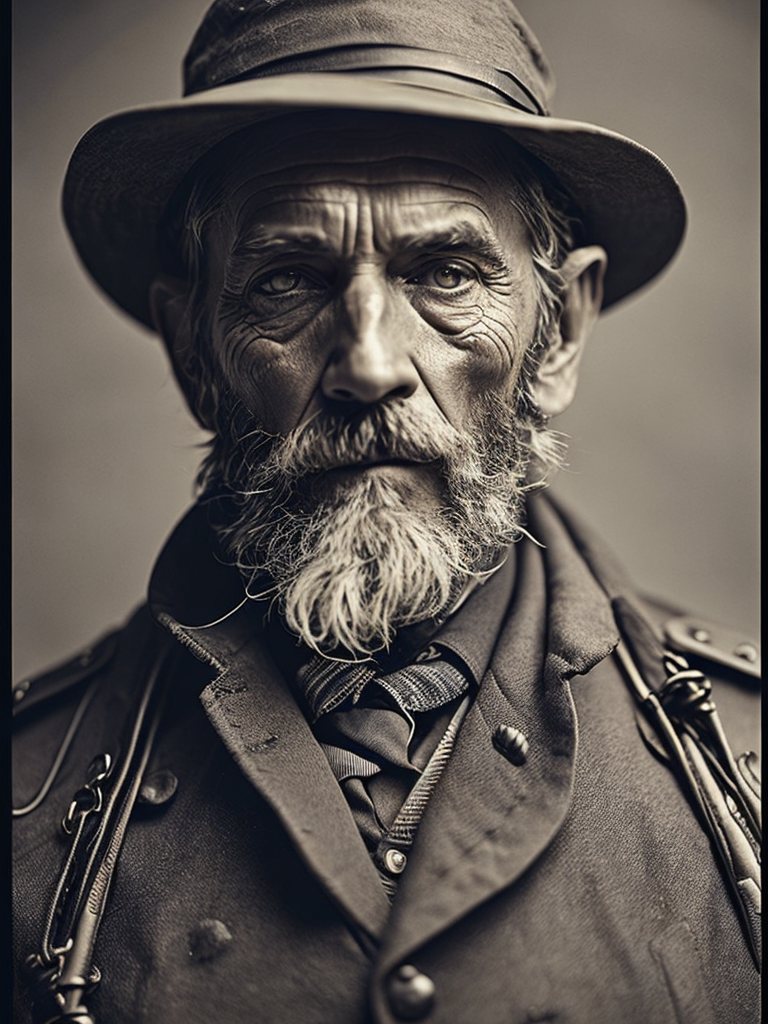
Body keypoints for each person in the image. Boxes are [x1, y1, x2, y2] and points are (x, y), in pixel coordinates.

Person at [12, 2, 760, 1023]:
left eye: (445, 272)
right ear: (191, 347)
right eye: (288, 280)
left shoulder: (751, 768)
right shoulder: (24, 794)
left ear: (563, 327)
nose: (369, 364)